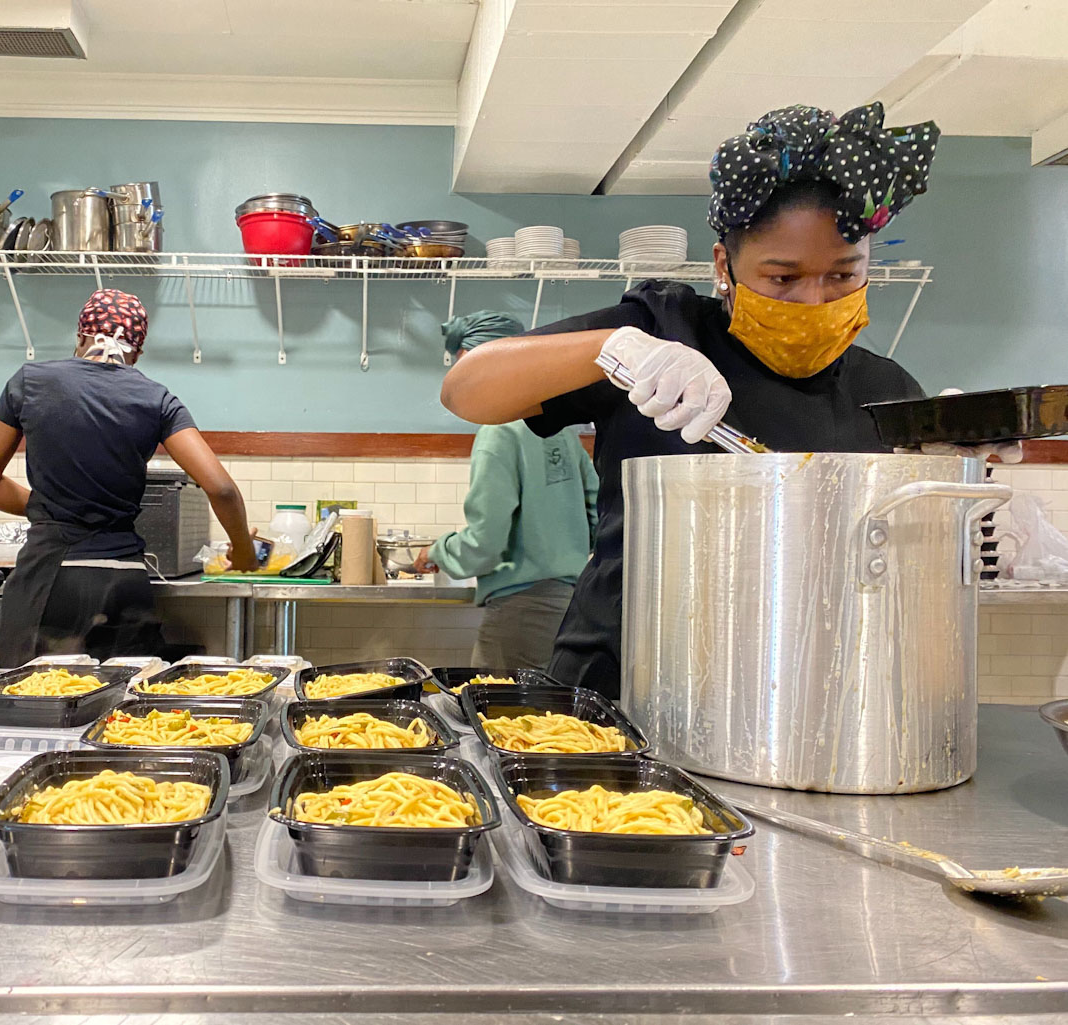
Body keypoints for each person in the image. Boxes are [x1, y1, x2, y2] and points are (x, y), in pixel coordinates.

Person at [439, 103, 1020, 699]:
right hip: (625, 681)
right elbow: (466, 390)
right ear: (725, 266)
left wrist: (954, 478)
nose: (813, 301)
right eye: (782, 278)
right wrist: (615, 349)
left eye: (843, 276)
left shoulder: (886, 392)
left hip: (805, 695)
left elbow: (901, 569)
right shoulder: (662, 331)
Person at [0, 289, 259, 666]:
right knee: (120, 712)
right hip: (123, 581)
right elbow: (220, 488)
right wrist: (244, 551)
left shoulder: (31, 381)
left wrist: (52, 510)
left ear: (81, 336)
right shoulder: (157, 399)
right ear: (137, 351)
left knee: (33, 705)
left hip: (50, 576)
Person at [413, 312, 598, 670]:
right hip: (570, 605)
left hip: (520, 613)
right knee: (550, 721)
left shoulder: (498, 433)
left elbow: (485, 543)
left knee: (496, 721)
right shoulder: (561, 431)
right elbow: (596, 515)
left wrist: (438, 550)